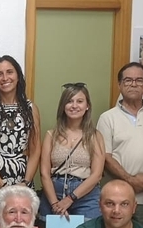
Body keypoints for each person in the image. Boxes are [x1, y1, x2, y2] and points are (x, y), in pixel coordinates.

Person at [0, 55, 41, 218]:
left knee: (20, 227)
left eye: (9, 72)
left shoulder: (30, 107)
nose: (5, 78)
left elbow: (35, 149)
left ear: (18, 76)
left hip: (22, 179)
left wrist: (25, 183)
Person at [98, 62, 143, 228]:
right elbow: (106, 157)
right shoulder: (107, 118)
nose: (133, 84)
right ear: (120, 85)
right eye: (128, 80)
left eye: (139, 80)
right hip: (116, 199)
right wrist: (131, 180)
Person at [40, 83, 105, 220]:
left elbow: (97, 175)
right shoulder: (51, 135)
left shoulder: (95, 136)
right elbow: (44, 173)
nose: (74, 105)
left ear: (87, 106)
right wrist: (55, 204)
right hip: (53, 193)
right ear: (63, 106)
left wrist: (70, 199)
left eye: (80, 101)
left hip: (86, 195)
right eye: (69, 101)